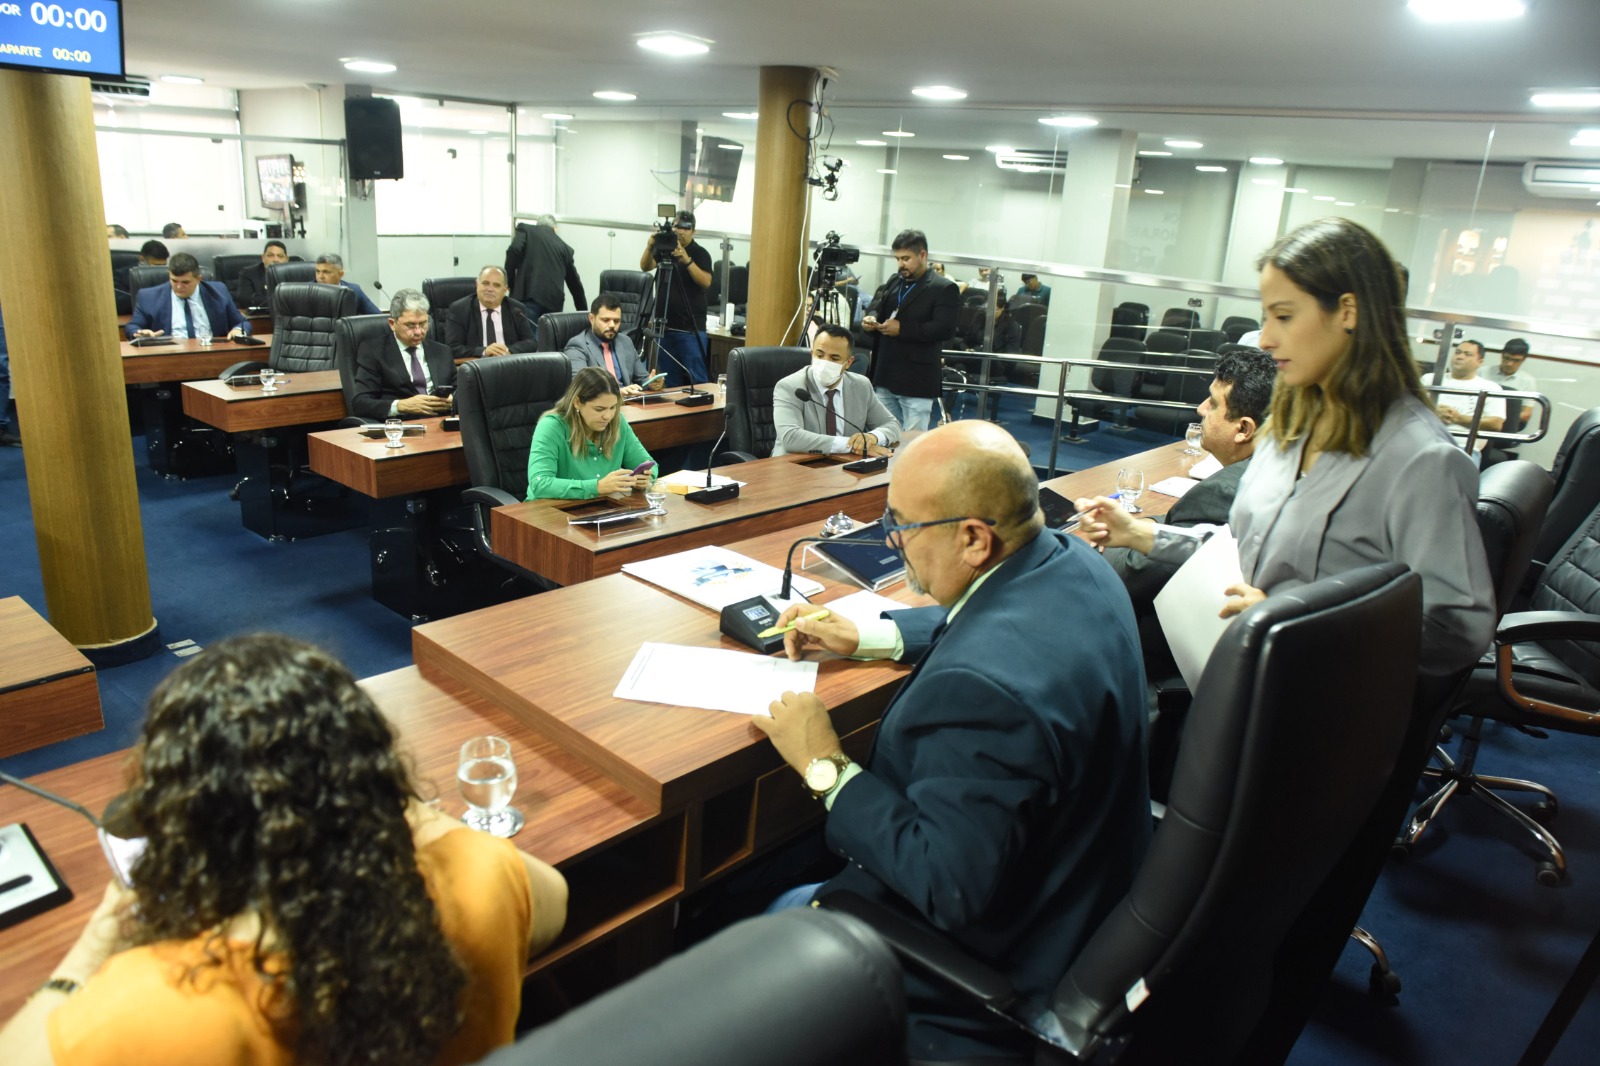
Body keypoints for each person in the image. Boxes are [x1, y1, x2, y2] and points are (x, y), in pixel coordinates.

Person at [755, 420, 1149, 1061]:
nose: (891, 540)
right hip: (1083, 889)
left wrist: (824, 764)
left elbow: (947, 887)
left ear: (972, 538)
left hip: (997, 966)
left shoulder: (984, 691)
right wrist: (869, 635)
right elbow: (987, 614)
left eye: (901, 525)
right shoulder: (1075, 561)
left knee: (773, 909)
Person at [0, 633, 567, 1066]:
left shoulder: (163, 1004)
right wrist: (395, 804)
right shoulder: (479, 871)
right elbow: (554, 903)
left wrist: (87, 954)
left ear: (184, 817)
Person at [1080, 217, 1493, 678]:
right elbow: (1243, 547)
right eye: (1266, 317)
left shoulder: (1421, 460)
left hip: (1311, 698)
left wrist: (1300, 625)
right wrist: (1144, 535)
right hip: (1239, 670)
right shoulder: (1289, 425)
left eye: (1284, 316)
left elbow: (1455, 631)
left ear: (1348, 312)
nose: (1266, 338)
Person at [1100, 346, 1277, 613]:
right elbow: (1193, 528)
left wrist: (1101, 544)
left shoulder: (1222, 492)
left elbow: (1133, 574)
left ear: (1243, 428)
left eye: (1213, 404)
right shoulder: (1276, 473)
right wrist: (1148, 523)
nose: (1201, 409)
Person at [862, 229, 959, 432]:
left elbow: (944, 329)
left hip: (916, 379)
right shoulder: (894, 281)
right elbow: (877, 306)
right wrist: (871, 318)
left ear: (922, 255)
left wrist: (903, 329)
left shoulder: (943, 288)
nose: (901, 264)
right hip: (885, 373)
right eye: (898, 259)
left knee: (912, 440)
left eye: (906, 258)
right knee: (885, 434)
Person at [771, 323, 900, 457]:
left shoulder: (861, 386)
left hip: (842, 463)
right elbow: (791, 437)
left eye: (834, 358)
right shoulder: (790, 387)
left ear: (848, 363)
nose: (825, 362)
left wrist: (873, 437)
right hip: (794, 464)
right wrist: (850, 445)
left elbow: (892, 425)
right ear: (812, 353)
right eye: (820, 355)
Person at [525, 366, 654, 500]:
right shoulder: (551, 426)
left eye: (613, 407)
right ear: (577, 403)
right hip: (550, 508)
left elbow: (648, 463)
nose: (608, 416)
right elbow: (539, 484)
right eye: (599, 409)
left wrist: (645, 478)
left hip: (601, 506)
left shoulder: (618, 422)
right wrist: (596, 487)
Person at [350, 289, 455, 421]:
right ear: (392, 324)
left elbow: (462, 391)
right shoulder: (374, 352)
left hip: (442, 424)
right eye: (410, 325)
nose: (418, 331)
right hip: (402, 425)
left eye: (423, 324)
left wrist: (453, 400)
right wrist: (400, 406)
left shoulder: (442, 352)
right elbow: (360, 403)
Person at [637, 210, 713, 387]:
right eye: (677, 226)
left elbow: (706, 282)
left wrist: (686, 260)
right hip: (664, 328)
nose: (680, 231)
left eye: (686, 228)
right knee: (670, 381)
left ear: (693, 231)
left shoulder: (700, 253)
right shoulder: (665, 248)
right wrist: (650, 247)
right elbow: (645, 266)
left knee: (698, 380)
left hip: (690, 330)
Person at [126, 252, 250, 340]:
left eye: (185, 282)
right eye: (174, 281)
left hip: (211, 351)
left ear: (199, 279)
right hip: (169, 355)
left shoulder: (218, 292)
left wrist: (238, 330)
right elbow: (133, 326)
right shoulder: (148, 297)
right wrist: (139, 333)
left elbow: (242, 322)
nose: (179, 286)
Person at [564, 293, 654, 395]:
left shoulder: (625, 341)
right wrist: (617, 393)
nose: (612, 325)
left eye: (616, 321)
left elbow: (643, 379)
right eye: (606, 320)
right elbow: (581, 387)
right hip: (600, 403)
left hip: (629, 401)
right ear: (591, 319)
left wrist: (651, 383)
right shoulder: (577, 345)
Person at [1434, 338, 1506, 463]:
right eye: (1457, 352)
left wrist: (1458, 418)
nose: (1460, 356)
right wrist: (1433, 412)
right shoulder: (1430, 379)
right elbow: (1410, 410)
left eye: (1467, 354)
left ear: (1479, 362)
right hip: (1428, 443)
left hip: (1464, 449)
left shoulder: (1491, 388)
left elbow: (1495, 424)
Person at [444, 266, 538, 360]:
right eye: (485, 283)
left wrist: (508, 351)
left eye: (496, 285)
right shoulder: (459, 309)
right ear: (477, 285)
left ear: (504, 290)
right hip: (477, 365)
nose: (490, 289)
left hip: (508, 363)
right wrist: (484, 351)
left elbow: (531, 342)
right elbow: (452, 348)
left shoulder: (516, 309)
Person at [504, 214, 586, 320]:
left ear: (537, 224)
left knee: (525, 331)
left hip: (527, 298)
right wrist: (584, 314)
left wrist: (508, 282)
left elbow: (514, 250)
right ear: (555, 229)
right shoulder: (565, 248)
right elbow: (575, 285)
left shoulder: (526, 229)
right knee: (547, 332)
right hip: (553, 306)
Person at [1482, 336, 1536, 432]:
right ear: (1502, 355)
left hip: (1506, 427)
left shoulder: (1527, 380)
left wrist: (1498, 419)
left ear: (1523, 360)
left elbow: (1526, 414)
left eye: (1516, 360)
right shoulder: (1483, 372)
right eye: (1507, 358)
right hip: (1480, 422)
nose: (1509, 363)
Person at [314, 252, 381, 314]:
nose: (320, 276)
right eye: (318, 271)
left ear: (340, 274)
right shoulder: (308, 292)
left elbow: (377, 316)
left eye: (326, 272)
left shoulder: (354, 291)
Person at [233, 240, 288, 310]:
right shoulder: (248, 273)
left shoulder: (295, 273)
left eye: (280, 256)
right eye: (270, 255)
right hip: (261, 314)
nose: (275, 259)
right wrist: (284, 301)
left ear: (287, 259)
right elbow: (244, 300)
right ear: (263, 258)